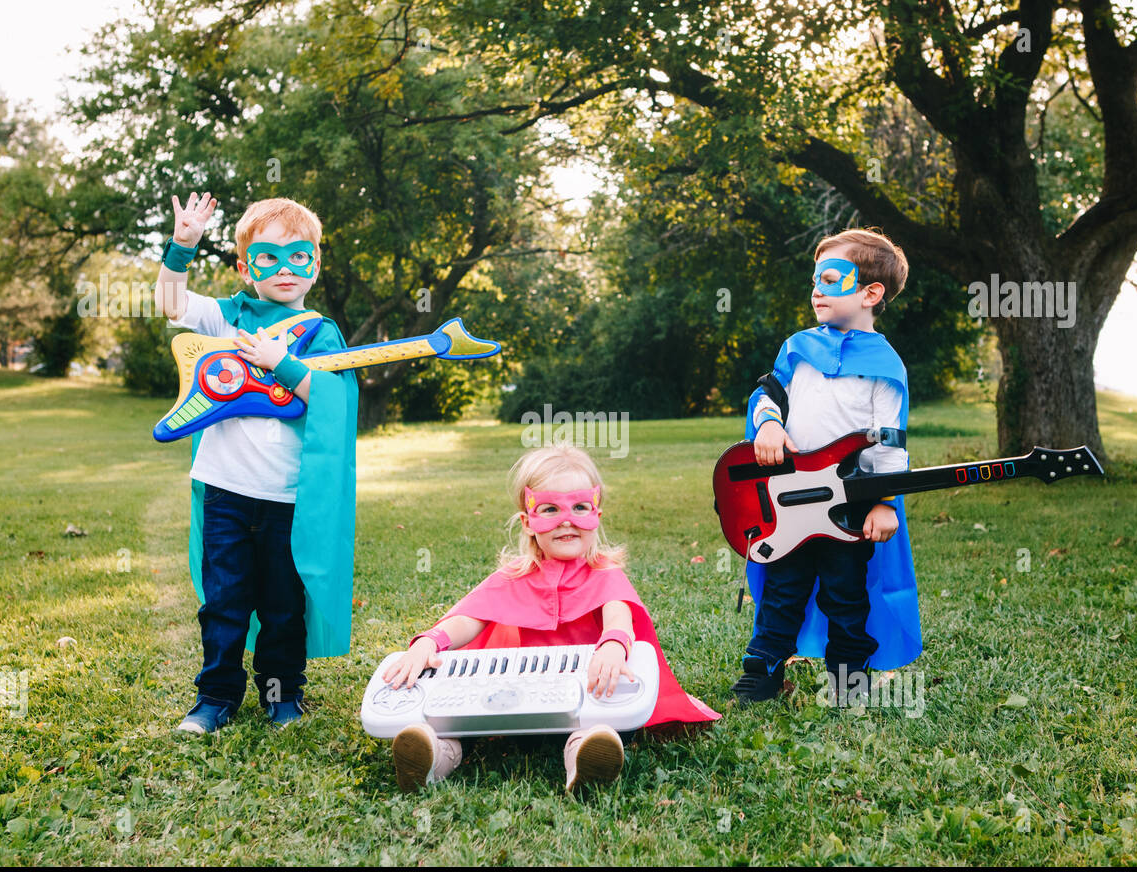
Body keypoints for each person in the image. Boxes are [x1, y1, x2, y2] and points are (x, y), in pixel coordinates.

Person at [380, 444, 720, 793]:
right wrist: (429, 641)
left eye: (579, 507)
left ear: (596, 514)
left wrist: (614, 645)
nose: (567, 520)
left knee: (596, 726)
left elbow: (618, 614)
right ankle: (433, 757)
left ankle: (585, 762)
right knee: (454, 720)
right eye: (550, 509)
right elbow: (469, 619)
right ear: (528, 523)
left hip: (589, 696)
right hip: (525, 704)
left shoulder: (604, 574)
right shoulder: (513, 577)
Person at [154, 193, 359, 732]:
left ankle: (282, 694)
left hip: (289, 496)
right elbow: (172, 306)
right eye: (269, 257)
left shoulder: (322, 332)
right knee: (223, 602)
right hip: (225, 489)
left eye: (300, 256)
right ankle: (215, 697)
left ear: (316, 263)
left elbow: (332, 401)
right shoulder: (228, 316)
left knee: (282, 605)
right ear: (246, 267)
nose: (286, 269)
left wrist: (283, 366)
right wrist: (182, 247)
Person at [733, 227, 921, 706]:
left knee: (845, 593)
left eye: (830, 277)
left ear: (869, 292)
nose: (816, 288)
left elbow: (889, 443)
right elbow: (767, 393)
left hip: (847, 506)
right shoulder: (798, 347)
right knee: (782, 589)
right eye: (814, 278)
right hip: (789, 499)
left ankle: (848, 680)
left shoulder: (886, 365)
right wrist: (769, 426)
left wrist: (883, 502)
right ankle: (764, 670)